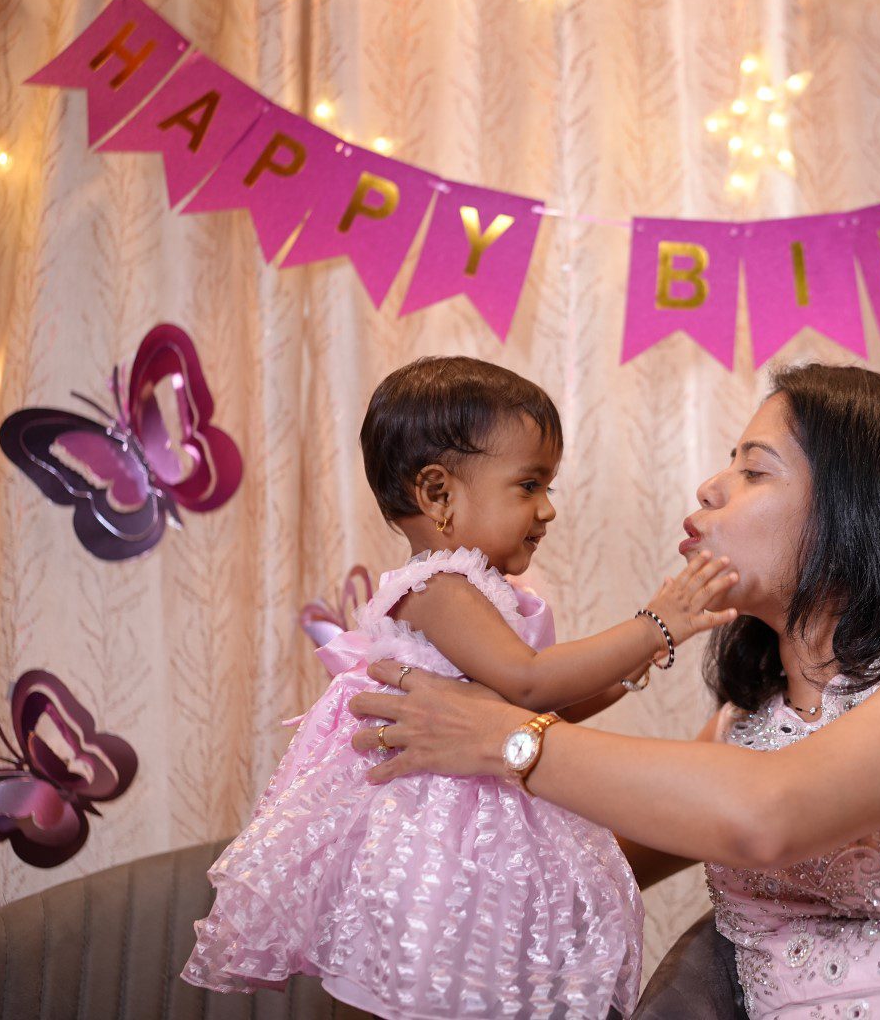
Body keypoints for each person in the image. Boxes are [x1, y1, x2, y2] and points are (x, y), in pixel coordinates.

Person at [351, 363, 880, 1019]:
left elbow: (765, 815)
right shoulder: (744, 734)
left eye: (753, 470)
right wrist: (400, 845)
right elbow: (569, 883)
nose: (710, 488)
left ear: (861, 513)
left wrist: (502, 737)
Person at [182, 356, 738, 1019]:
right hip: (434, 836)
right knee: (418, 985)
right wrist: (654, 626)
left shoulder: (479, 590)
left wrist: (633, 663)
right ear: (438, 495)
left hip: (474, 825)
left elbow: (535, 706)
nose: (548, 508)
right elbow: (528, 686)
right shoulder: (438, 586)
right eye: (529, 485)